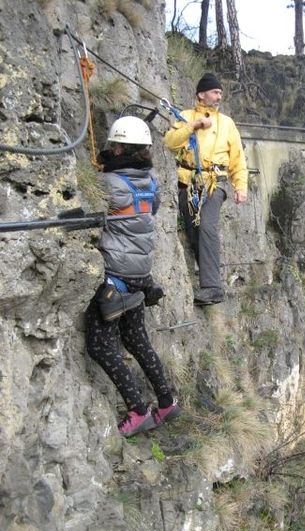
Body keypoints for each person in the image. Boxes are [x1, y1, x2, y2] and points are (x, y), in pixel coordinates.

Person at [85, 115, 181, 437]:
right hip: (140, 273)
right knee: (136, 338)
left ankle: (138, 409)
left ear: (121, 147)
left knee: (99, 344)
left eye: (114, 145)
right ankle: (166, 401)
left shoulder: (109, 184)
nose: (110, 148)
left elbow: (90, 209)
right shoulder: (151, 181)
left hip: (115, 275)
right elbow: (148, 212)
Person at [164, 73, 248, 306]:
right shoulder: (186, 117)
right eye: (215, 92)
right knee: (193, 232)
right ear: (201, 94)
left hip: (215, 183)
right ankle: (209, 282)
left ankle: (212, 287)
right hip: (189, 182)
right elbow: (170, 142)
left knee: (207, 227)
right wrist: (194, 126)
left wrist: (240, 186)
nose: (219, 96)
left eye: (220, 92)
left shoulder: (227, 123)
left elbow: (238, 158)